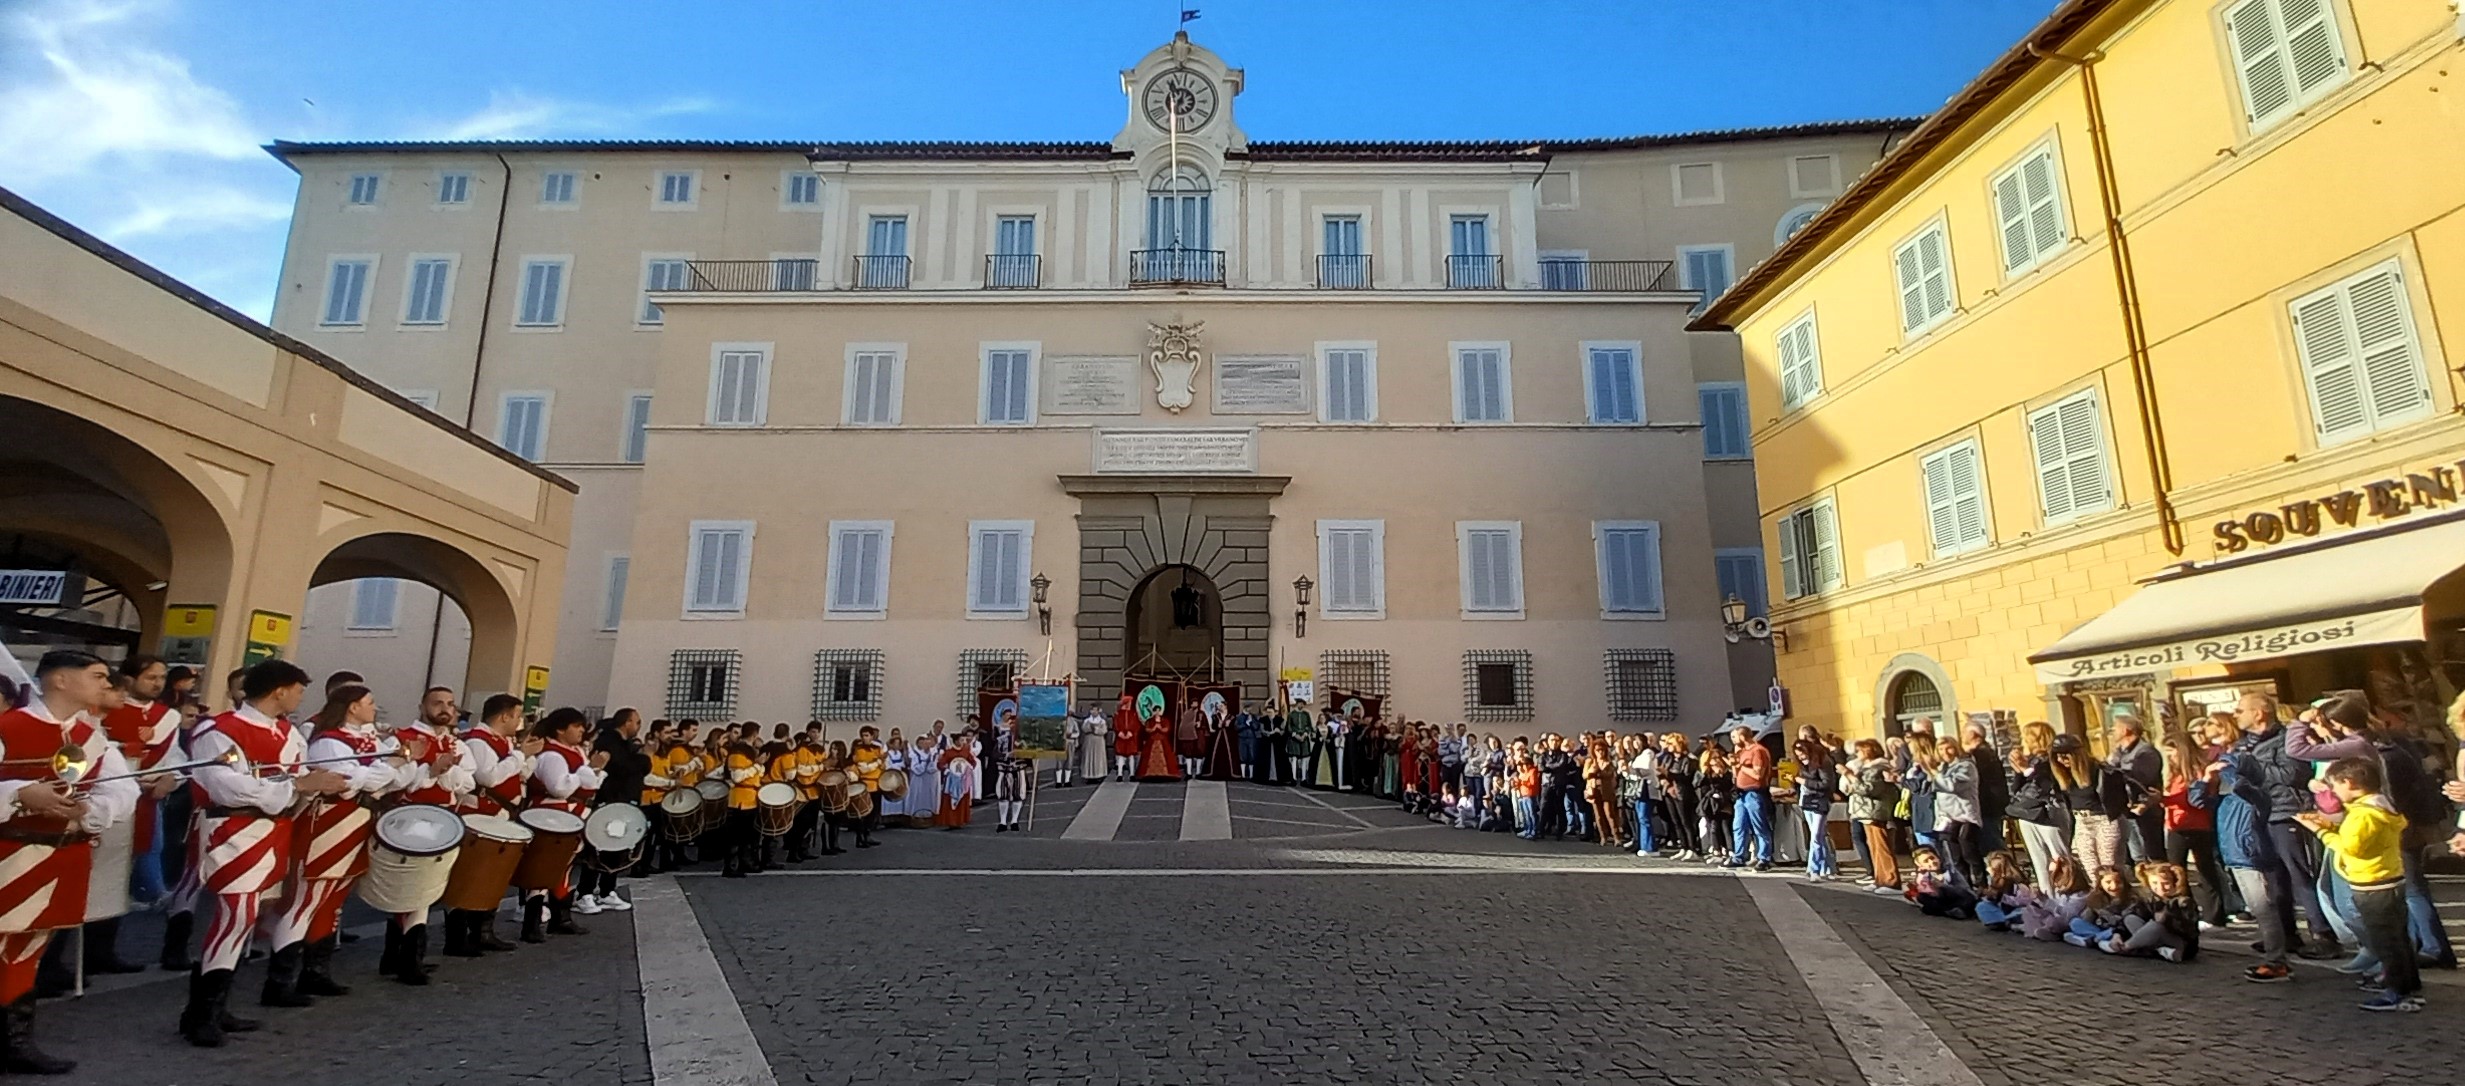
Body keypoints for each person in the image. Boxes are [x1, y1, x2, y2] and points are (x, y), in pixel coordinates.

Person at [180, 660, 349, 1048]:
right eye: (298, 689)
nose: (300, 697)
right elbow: (225, 786)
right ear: (279, 690)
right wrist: (297, 785)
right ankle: (202, 1012)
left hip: (274, 831)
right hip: (231, 830)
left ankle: (213, 1007)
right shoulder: (219, 729)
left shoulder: (288, 733)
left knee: (247, 918)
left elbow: (296, 777)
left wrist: (311, 785)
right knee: (234, 915)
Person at [0, 651, 139, 1072]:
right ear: (60, 679)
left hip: (62, 854)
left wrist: (91, 810)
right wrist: (21, 793)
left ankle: (15, 1042)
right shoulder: (9, 725)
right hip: (9, 853)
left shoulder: (91, 737)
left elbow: (124, 791)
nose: (106, 683)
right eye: (97, 675)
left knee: (29, 950)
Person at [261, 682, 425, 1003]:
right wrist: (388, 766)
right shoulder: (329, 741)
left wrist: (384, 771)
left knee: (332, 903)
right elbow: (346, 782)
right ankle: (278, 981)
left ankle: (315, 971)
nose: (374, 707)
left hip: (357, 822)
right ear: (352, 706)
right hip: (328, 824)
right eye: (369, 701)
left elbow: (397, 780)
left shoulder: (370, 740)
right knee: (307, 901)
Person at [2299, 756, 2423, 1011]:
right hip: (2390, 879)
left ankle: (2396, 992)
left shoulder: (2363, 815)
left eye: (2335, 786)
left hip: (2371, 883)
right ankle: (2409, 987)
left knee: (2385, 942)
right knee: (2398, 939)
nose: (2333, 793)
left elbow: (2351, 849)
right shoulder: (2381, 807)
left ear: (2350, 782)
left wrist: (2320, 831)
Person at [2238, 691, 2343, 960]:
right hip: (2262, 813)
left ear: (2259, 713)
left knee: (2299, 876)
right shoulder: (2247, 743)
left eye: (2241, 710)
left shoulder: (2285, 738)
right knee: (2275, 881)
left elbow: (2295, 773)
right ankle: (2287, 935)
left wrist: (2255, 768)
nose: (2237, 715)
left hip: (2288, 813)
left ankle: (2324, 936)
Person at [445, 693, 531, 955]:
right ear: (504, 716)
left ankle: (483, 931)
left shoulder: (502, 741)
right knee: (469, 874)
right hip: (482, 812)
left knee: (492, 874)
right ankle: (458, 937)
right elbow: (489, 777)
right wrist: (519, 756)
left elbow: (520, 773)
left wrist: (523, 758)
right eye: (516, 716)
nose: (518, 722)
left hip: (500, 813)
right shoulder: (479, 741)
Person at [523, 708, 607, 927]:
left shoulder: (574, 752)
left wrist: (591, 772)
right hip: (551, 815)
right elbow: (560, 788)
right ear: (561, 729)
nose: (581, 731)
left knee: (563, 866)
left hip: (569, 814)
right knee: (546, 867)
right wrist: (588, 771)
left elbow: (590, 787)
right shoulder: (552, 754)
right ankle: (533, 920)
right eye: (576, 726)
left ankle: (561, 916)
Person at [577, 709, 648, 913]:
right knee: (599, 846)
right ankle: (585, 893)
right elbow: (623, 766)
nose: (638, 726)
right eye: (637, 722)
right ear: (627, 722)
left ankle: (607, 890)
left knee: (617, 846)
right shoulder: (609, 742)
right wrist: (643, 760)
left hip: (624, 801)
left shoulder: (626, 745)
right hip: (610, 800)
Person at [2006, 721, 2072, 893]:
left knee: (2060, 857)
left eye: (2026, 736)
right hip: (2028, 814)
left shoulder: (2055, 759)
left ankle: (2068, 894)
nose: (2023, 740)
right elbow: (2016, 789)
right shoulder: (2032, 759)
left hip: (2049, 814)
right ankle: (2046, 898)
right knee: (2039, 860)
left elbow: (2047, 785)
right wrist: (2019, 770)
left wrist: (2027, 769)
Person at [2050, 734, 2127, 878]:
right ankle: (2099, 898)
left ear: (2076, 755)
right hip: (2081, 821)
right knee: (2090, 869)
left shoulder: (2100, 771)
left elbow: (2121, 794)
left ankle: (2116, 898)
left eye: (2065, 756)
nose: (2061, 761)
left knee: (2109, 868)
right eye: (2057, 757)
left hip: (2104, 819)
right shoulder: (2062, 775)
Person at [2101, 861, 2199, 962]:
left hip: (2181, 943)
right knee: (2130, 918)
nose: (2160, 888)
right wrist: (2117, 935)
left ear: (2175, 882)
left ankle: (2124, 948)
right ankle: (2158, 951)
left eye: (2165, 883)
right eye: (2155, 883)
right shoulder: (2150, 899)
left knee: (2156, 926)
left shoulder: (2183, 902)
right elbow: (2134, 913)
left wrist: (2168, 918)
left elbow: (2189, 931)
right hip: (2156, 940)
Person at [1843, 738, 1899, 893]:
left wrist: (1849, 775)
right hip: (1866, 811)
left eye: (1860, 750)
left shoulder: (1878, 768)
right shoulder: (1866, 768)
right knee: (1873, 847)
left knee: (1882, 847)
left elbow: (1869, 789)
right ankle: (1879, 878)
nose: (1857, 754)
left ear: (1869, 751)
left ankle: (1891, 880)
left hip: (1875, 810)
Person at [1726, 725, 1776, 871]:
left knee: (1759, 826)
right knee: (1738, 826)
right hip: (1741, 793)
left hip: (1755, 791)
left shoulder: (1757, 751)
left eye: (1734, 737)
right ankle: (1739, 855)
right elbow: (1736, 774)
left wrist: (1741, 766)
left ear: (1742, 737)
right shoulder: (1742, 752)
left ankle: (1764, 858)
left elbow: (1758, 775)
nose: (1733, 741)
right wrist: (1734, 766)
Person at [1792, 728, 1836, 882]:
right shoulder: (1803, 764)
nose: (1801, 758)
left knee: (1816, 836)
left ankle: (1813, 868)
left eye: (1802, 754)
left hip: (1820, 801)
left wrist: (1805, 782)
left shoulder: (1823, 762)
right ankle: (1829, 867)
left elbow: (1827, 784)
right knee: (1819, 836)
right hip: (1807, 801)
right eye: (1798, 755)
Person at [936, 737, 977, 830]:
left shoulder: (966, 751)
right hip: (952, 780)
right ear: (955, 741)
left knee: (962, 798)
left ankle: (960, 820)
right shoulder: (949, 752)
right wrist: (946, 770)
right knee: (951, 798)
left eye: (963, 740)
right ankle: (951, 821)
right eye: (961, 740)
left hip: (963, 779)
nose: (963, 742)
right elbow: (940, 764)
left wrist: (968, 769)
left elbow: (973, 762)